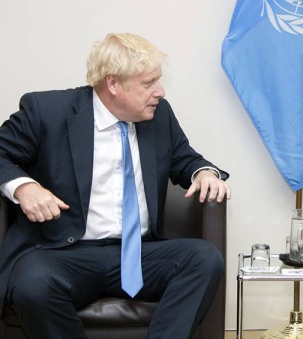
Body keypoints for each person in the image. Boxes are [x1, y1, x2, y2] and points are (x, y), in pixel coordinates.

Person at [0, 33, 231, 338]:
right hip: (63, 253)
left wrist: (204, 173)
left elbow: (185, 159)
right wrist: (23, 187)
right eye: (148, 83)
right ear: (113, 84)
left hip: (137, 255)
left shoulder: (159, 116)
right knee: (33, 284)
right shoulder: (47, 111)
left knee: (204, 259)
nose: (159, 92)